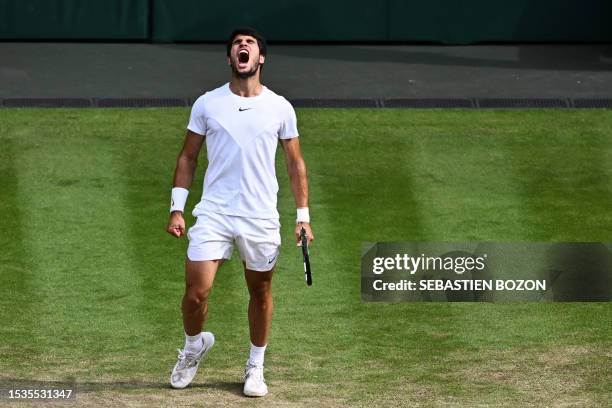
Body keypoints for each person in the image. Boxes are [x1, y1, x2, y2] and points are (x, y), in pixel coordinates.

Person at [165, 27, 314, 397]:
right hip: (214, 213)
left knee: (260, 291)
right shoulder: (207, 103)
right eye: (236, 44)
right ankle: (195, 344)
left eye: (249, 44)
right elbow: (188, 156)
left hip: (259, 216)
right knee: (196, 294)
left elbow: (295, 164)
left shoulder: (280, 107)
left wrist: (303, 216)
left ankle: (255, 365)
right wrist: (177, 209)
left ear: (260, 58)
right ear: (230, 58)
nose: (243, 47)